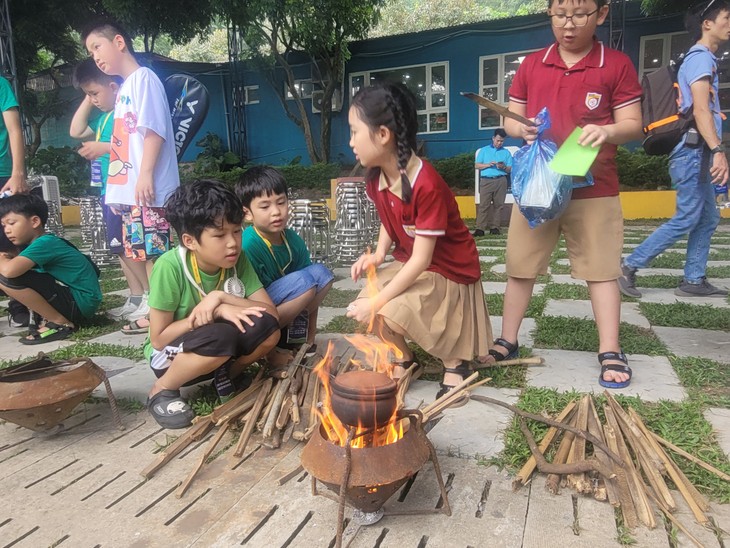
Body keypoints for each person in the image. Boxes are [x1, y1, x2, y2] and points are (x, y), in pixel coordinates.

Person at [494, 0, 643, 389]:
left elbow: (633, 123)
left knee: (602, 270)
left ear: (602, 14)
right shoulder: (531, 64)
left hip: (595, 186)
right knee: (520, 266)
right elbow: (510, 118)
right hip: (538, 188)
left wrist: (608, 131)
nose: (568, 25)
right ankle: (507, 340)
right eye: (559, 15)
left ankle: (610, 349)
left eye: (579, 15)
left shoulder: (616, 64)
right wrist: (520, 129)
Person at [346, 83, 493, 403]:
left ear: (383, 134)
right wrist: (380, 253)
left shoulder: (424, 183)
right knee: (370, 303)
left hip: (448, 267)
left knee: (386, 304)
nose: (350, 142)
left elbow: (423, 260)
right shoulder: (376, 175)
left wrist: (379, 299)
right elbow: (389, 217)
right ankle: (403, 357)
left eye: (355, 132)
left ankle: (456, 363)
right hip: (412, 258)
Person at [144, 180, 280, 429]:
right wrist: (214, 313)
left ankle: (227, 375)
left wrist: (220, 298)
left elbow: (270, 313)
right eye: (219, 235)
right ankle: (162, 389)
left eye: (237, 231)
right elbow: (158, 339)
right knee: (220, 334)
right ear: (190, 240)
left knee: (268, 327)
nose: (232, 243)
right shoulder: (170, 266)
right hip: (172, 358)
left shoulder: (238, 259)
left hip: (217, 349)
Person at [619, 0, 730, 299]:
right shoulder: (700, 59)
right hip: (693, 152)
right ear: (707, 23)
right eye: (726, 17)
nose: (729, 23)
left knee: (707, 218)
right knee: (688, 216)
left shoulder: (703, 59)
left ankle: (693, 280)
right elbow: (701, 111)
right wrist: (719, 150)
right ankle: (628, 265)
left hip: (698, 152)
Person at [82, 19, 180, 334]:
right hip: (132, 193)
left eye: (97, 46)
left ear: (119, 42)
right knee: (144, 253)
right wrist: (117, 195)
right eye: (90, 51)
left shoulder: (144, 79)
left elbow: (153, 131)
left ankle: (164, 314)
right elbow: (122, 147)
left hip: (147, 190)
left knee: (155, 253)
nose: (95, 56)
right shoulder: (125, 89)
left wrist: (146, 176)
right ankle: (159, 311)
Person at [69, 58, 149, 320]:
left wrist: (102, 148)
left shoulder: (123, 114)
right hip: (109, 191)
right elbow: (76, 130)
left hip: (124, 191)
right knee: (120, 248)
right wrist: (89, 95)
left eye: (95, 93)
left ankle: (148, 295)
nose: (93, 99)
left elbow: (134, 146)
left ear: (115, 87)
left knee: (131, 247)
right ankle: (136, 295)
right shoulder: (104, 119)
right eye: (88, 95)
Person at [235, 166, 334, 365]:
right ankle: (268, 343)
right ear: (247, 213)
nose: (276, 212)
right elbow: (247, 298)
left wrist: (311, 336)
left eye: (281, 202)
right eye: (265, 207)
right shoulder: (248, 244)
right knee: (305, 281)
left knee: (322, 274)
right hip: (256, 315)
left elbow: (313, 287)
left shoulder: (292, 239)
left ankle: (297, 335)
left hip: (287, 303)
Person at [0, 194, 102, 344]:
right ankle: (48, 317)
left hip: (80, 303)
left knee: (8, 278)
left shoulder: (45, 243)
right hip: (79, 302)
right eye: (4, 226)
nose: (7, 230)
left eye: (12, 223)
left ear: (35, 221)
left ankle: (60, 323)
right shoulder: (42, 242)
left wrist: (2, 256)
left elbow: (9, 272)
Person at [0, 76, 30, 328]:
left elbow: (14, 129)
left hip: (3, 174)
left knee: (11, 240)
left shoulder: (1, 84)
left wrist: (18, 171)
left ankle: (20, 302)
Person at [473, 128, 513, 236]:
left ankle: (495, 227)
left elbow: (510, 168)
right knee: (484, 205)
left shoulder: (506, 152)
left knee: (498, 205)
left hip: (501, 180)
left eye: (502, 141)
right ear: (493, 138)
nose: (499, 143)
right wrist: (487, 165)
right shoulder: (484, 150)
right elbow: (477, 165)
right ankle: (480, 228)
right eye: (498, 140)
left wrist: (503, 167)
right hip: (486, 180)